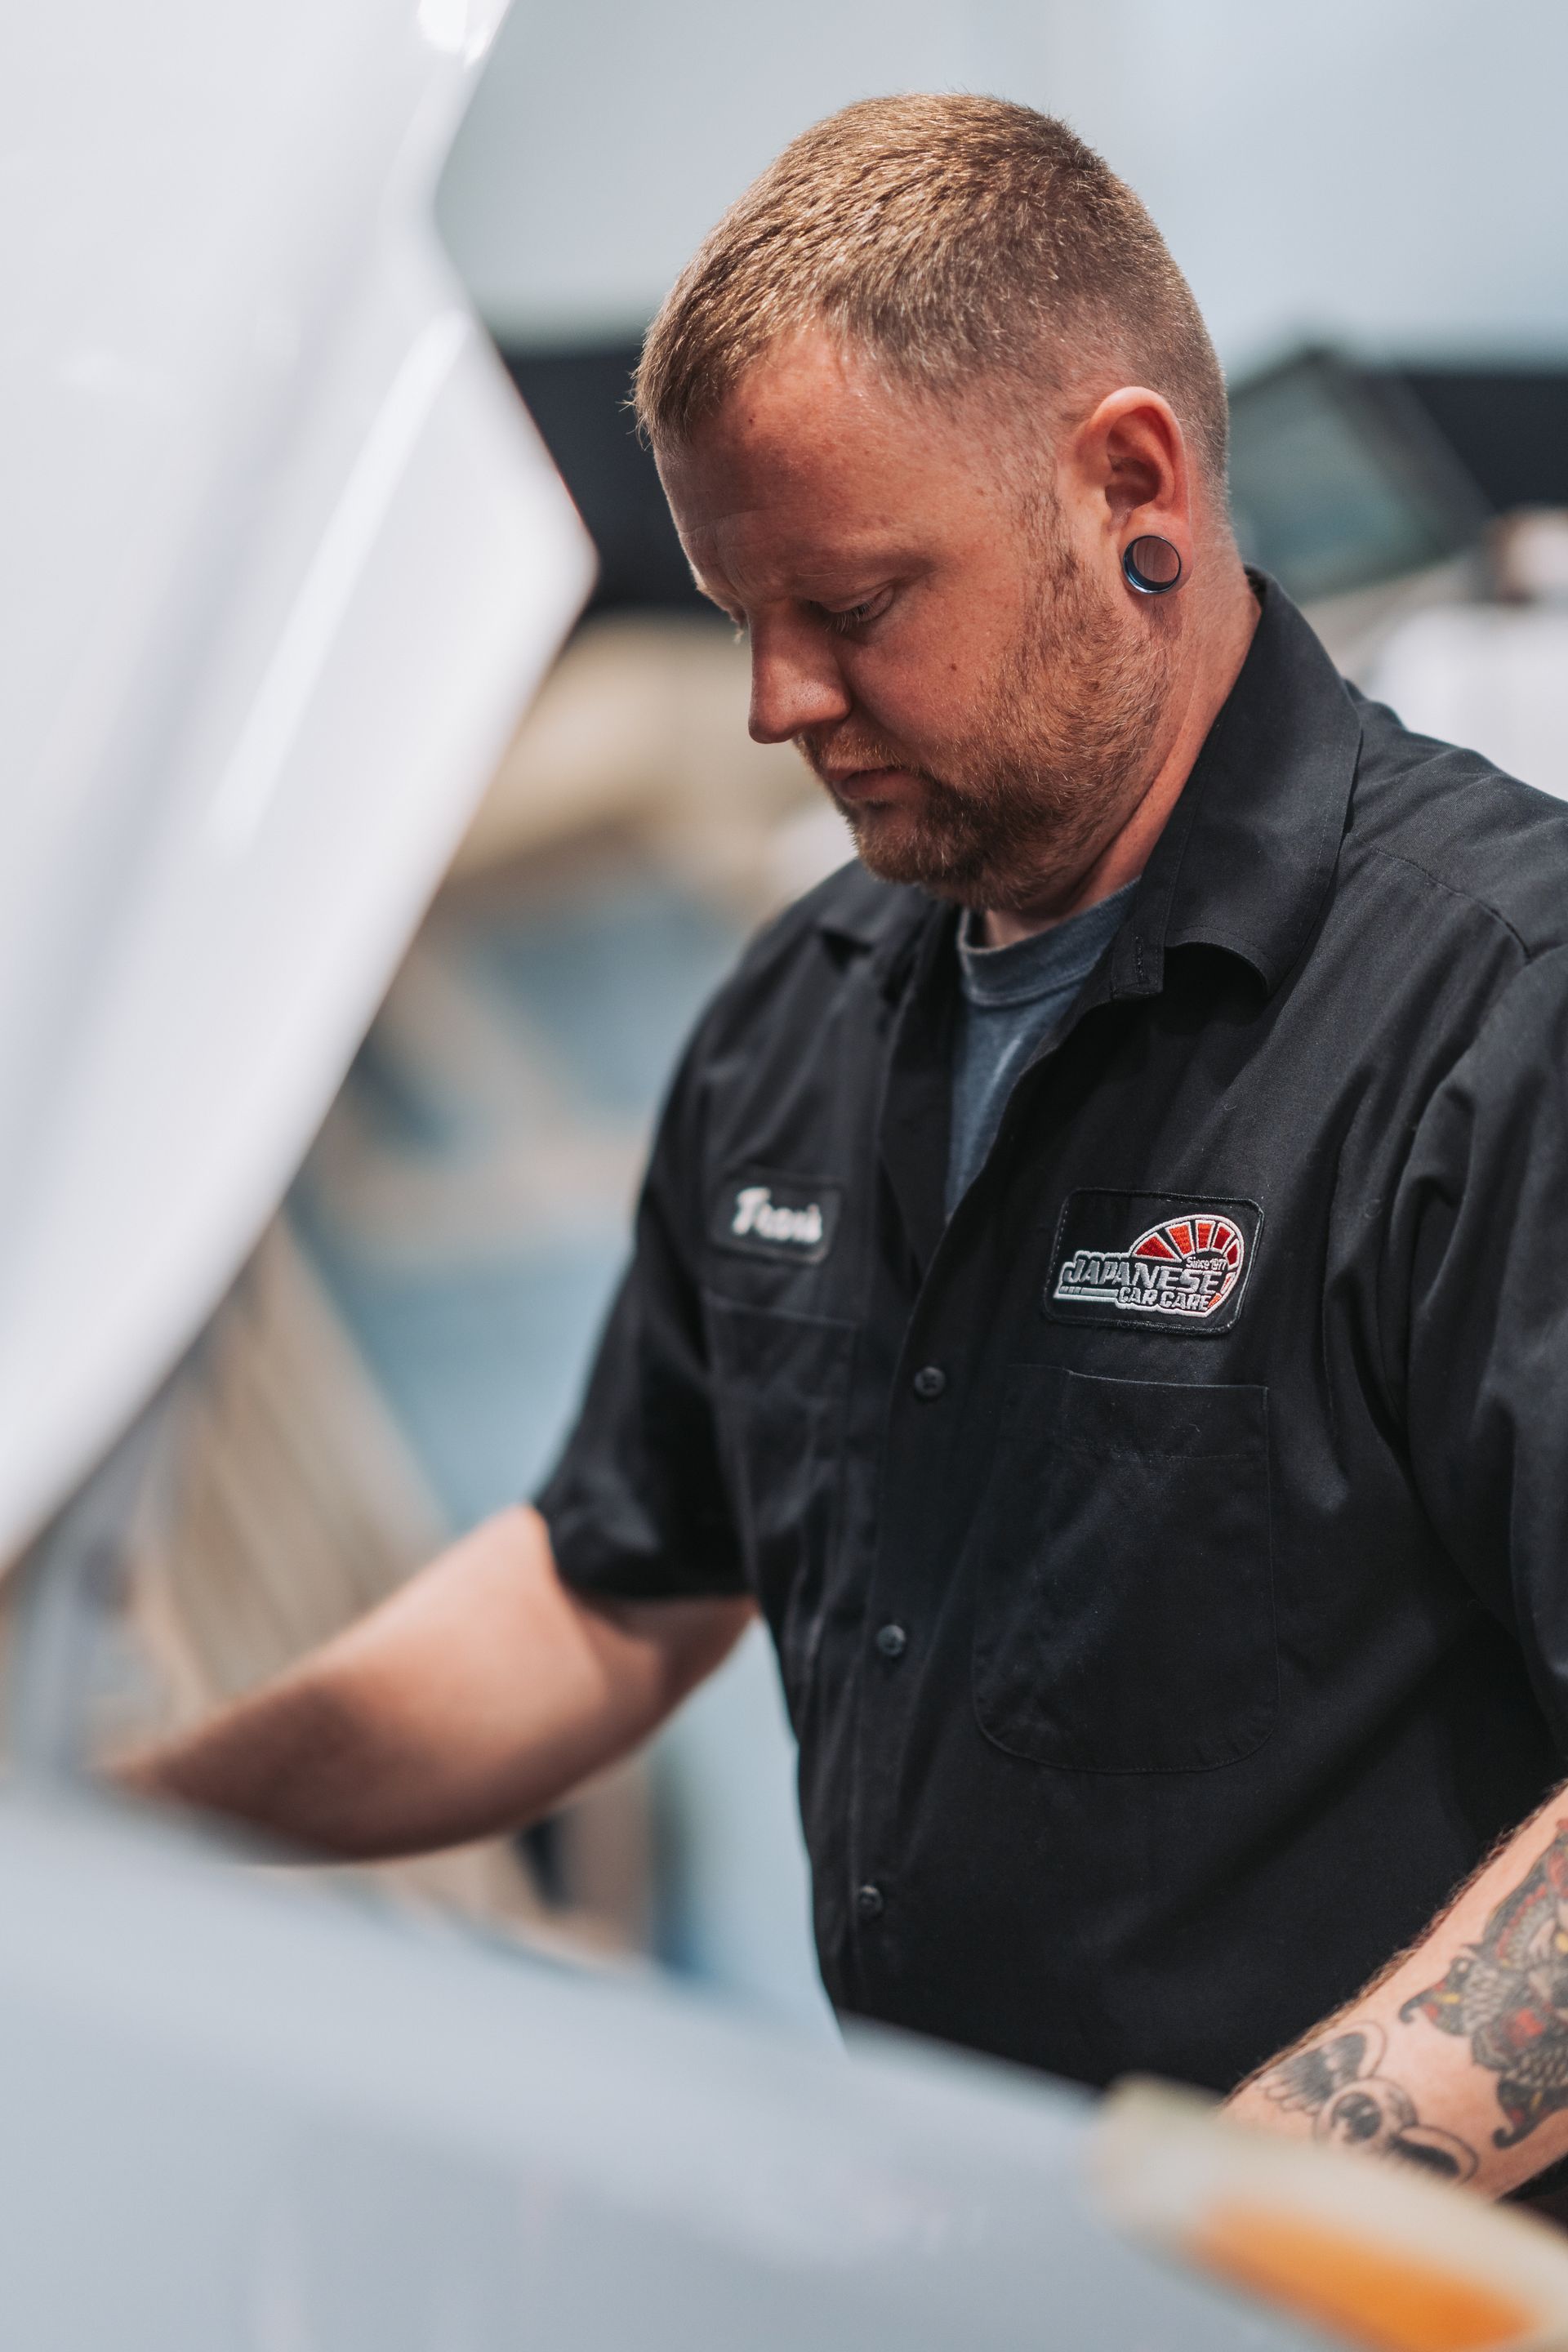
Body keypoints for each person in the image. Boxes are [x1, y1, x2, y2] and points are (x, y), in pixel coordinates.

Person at [127, 96, 1568, 2207]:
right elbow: (614, 1579)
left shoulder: (1495, 1010)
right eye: (736, 613)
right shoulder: (803, 1019)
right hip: (969, 2258)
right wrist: (127, 1822)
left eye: (856, 602)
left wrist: (1222, 2235)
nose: (776, 699)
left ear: (1131, 488)